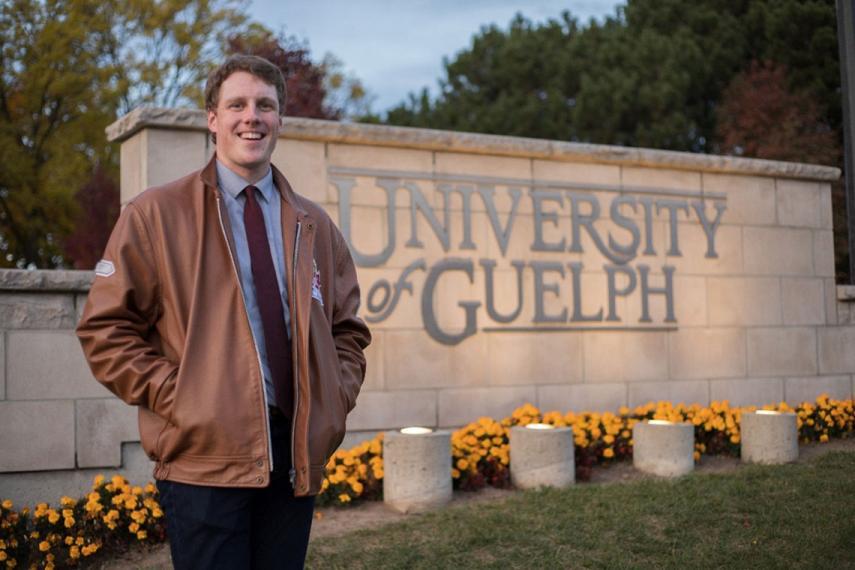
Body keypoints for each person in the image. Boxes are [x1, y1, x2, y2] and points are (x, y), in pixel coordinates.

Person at [76, 54, 371, 569]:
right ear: (212, 119)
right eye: (236, 104)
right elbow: (105, 330)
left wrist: (334, 397)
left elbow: (347, 329)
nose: (251, 117)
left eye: (265, 105)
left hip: (293, 453)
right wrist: (183, 395)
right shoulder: (155, 215)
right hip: (202, 459)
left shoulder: (313, 225)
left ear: (280, 120)